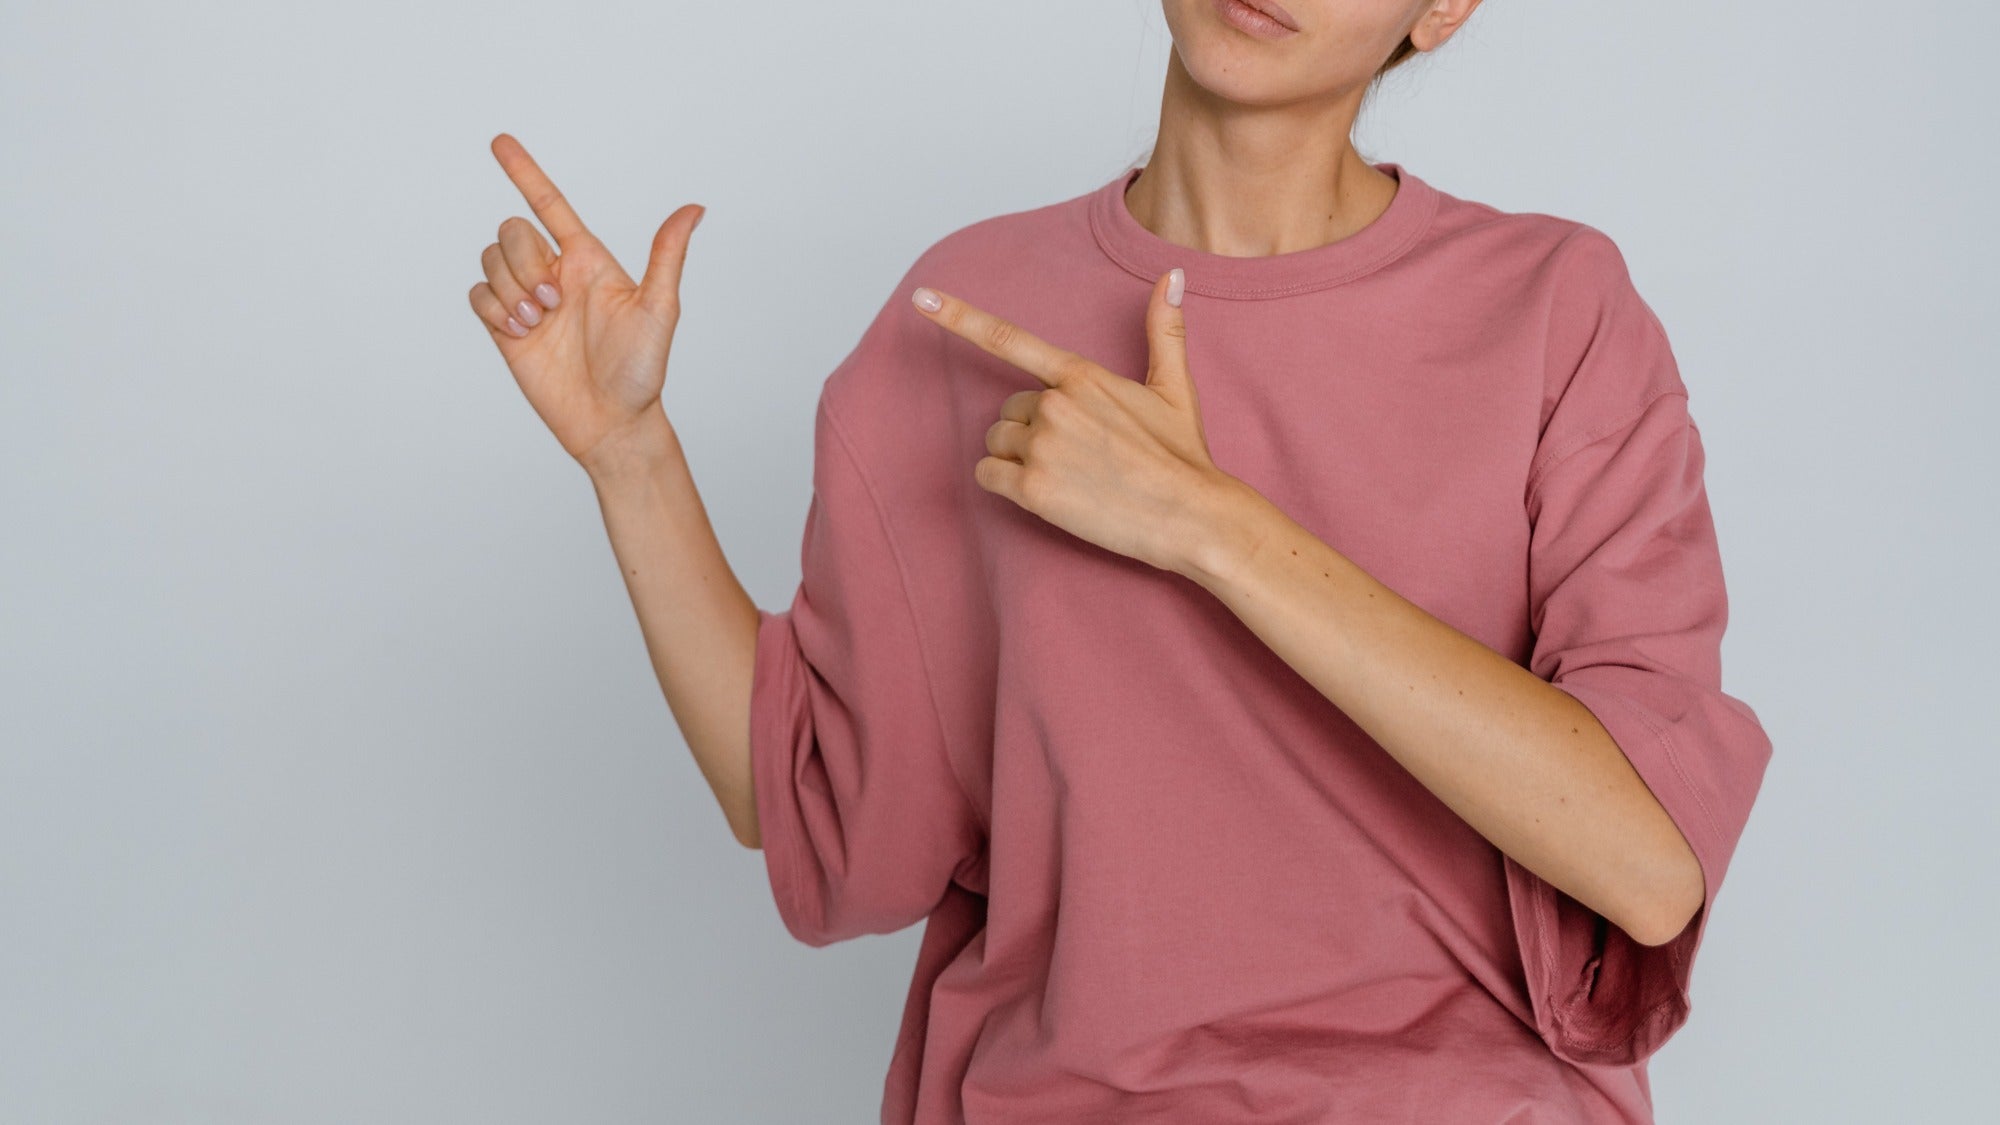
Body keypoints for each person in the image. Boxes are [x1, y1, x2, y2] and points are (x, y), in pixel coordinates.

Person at [464, 1, 1773, 1120]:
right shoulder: (970, 308)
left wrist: (1208, 523)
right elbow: (812, 809)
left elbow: (1646, 863)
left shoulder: (1552, 307)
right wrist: (629, 454)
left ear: (1441, 8)